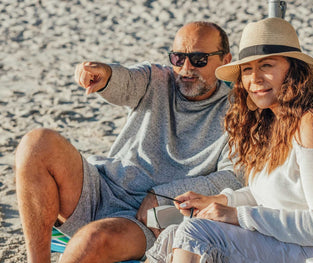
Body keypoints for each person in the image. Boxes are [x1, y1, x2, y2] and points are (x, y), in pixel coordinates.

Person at [15, 21, 244, 263]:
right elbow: (124, 82)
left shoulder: (238, 113)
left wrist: (164, 195)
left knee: (92, 240)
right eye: (178, 58)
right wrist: (104, 76)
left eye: (198, 59)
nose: (186, 68)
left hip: (147, 219)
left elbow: (234, 177)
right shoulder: (156, 79)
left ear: (225, 59)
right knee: (37, 143)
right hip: (102, 187)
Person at [145, 17, 313, 263]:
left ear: (293, 69)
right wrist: (220, 201)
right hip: (288, 241)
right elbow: (275, 195)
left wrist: (238, 215)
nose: (255, 79)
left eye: (267, 66)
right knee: (177, 231)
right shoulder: (272, 121)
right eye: (247, 70)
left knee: (194, 232)